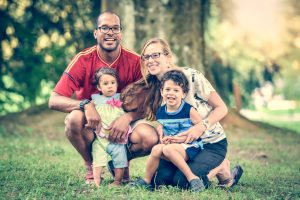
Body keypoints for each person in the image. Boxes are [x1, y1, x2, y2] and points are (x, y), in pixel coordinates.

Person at [48, 11, 157, 183]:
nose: (110, 32)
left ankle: (119, 162)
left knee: (149, 138)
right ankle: (91, 164)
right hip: (93, 122)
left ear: (121, 33)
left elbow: (148, 102)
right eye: (104, 28)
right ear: (96, 33)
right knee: (73, 120)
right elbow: (54, 100)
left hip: (124, 121)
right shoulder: (83, 60)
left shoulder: (136, 62)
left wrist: (128, 117)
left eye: (115, 28)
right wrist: (86, 105)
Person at [121, 38, 243, 189]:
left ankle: (221, 166)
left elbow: (222, 108)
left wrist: (200, 127)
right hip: (180, 147)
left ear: (168, 57)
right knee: (159, 180)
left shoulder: (191, 77)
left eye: (155, 55)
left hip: (209, 143)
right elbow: (161, 119)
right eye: (146, 57)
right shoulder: (156, 89)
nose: (150, 60)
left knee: (182, 182)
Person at [131, 70, 206, 192]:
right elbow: (162, 125)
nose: (171, 93)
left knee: (167, 149)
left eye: (176, 90)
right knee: (156, 149)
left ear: (184, 93)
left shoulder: (189, 110)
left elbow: (200, 129)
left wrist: (179, 139)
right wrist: (162, 134)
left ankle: (193, 178)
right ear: (161, 91)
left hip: (190, 146)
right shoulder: (161, 111)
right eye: (167, 89)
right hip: (172, 145)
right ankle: (146, 180)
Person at [91, 67, 130, 187]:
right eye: (105, 83)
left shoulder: (121, 97)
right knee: (98, 158)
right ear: (99, 87)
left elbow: (130, 109)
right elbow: (89, 108)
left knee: (121, 158)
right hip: (100, 137)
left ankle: (118, 181)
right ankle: (96, 181)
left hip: (116, 137)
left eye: (113, 83)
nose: (110, 86)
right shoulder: (96, 99)